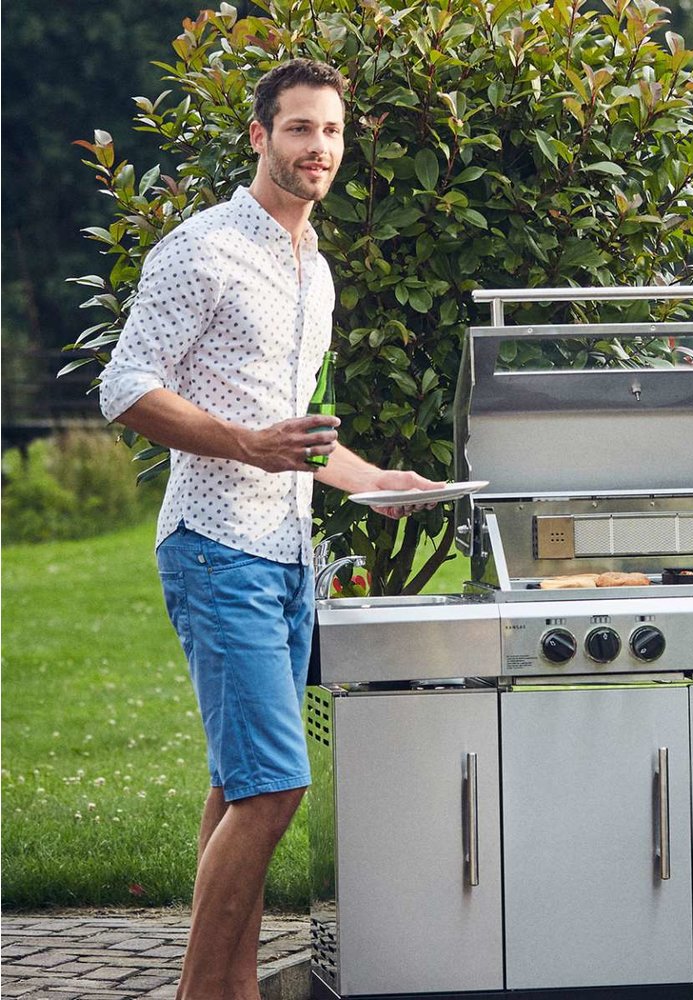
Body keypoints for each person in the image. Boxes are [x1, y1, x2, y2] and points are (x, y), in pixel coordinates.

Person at [97, 58, 440, 999]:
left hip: (291, 558)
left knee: (239, 783)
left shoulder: (314, 268)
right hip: (216, 551)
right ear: (260, 137)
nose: (317, 148)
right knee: (274, 787)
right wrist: (245, 445)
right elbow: (123, 387)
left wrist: (375, 482)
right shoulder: (201, 248)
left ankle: (234, 983)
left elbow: (302, 433)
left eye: (330, 132)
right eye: (298, 129)